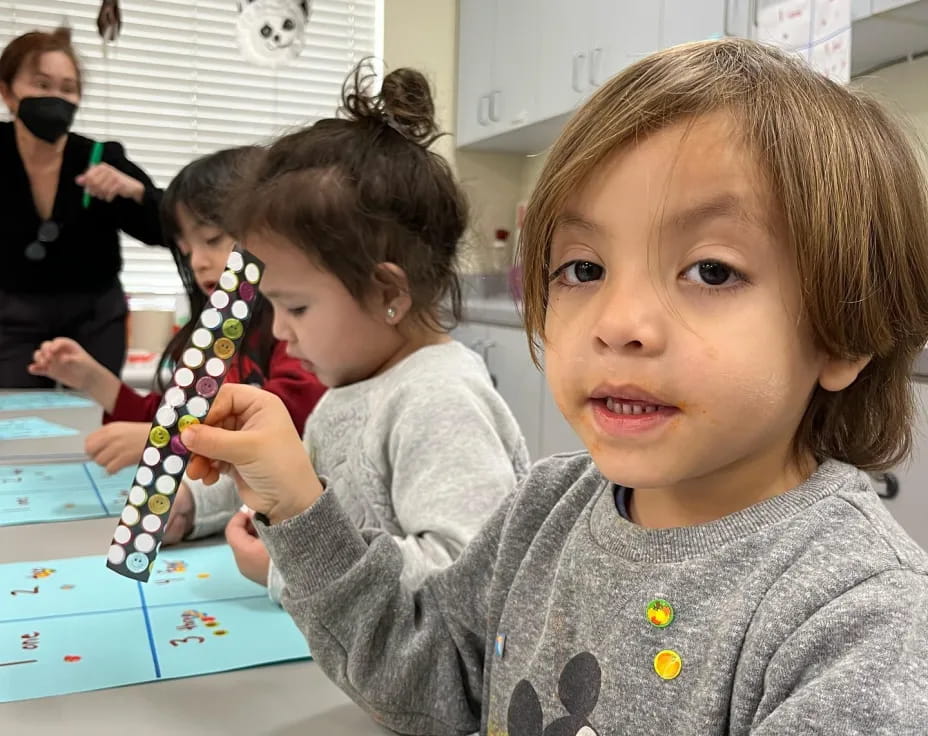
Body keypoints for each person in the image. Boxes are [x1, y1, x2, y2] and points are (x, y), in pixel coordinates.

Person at [183, 39, 928, 733]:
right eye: (583, 268)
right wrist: (296, 505)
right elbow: (432, 682)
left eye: (711, 270)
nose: (618, 323)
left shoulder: (863, 618)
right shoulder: (546, 509)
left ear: (846, 331)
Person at [186, 63, 530, 600]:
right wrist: (193, 506)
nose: (280, 331)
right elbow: (299, 490)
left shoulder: (438, 401)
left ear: (388, 292)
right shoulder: (354, 386)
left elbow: (466, 581)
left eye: (296, 307)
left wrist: (289, 569)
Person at [29, 146, 326, 543]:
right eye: (186, 251)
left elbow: (288, 416)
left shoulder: (294, 329)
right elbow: (174, 410)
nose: (198, 261)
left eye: (212, 240)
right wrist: (93, 379)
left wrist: (163, 438)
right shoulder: (218, 333)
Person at [0, 27, 164, 387]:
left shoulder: (100, 157)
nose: (56, 97)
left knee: (94, 409)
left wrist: (136, 192)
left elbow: (167, 228)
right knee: (15, 411)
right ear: (7, 92)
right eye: (42, 85)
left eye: (68, 88)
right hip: (11, 317)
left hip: (95, 317)